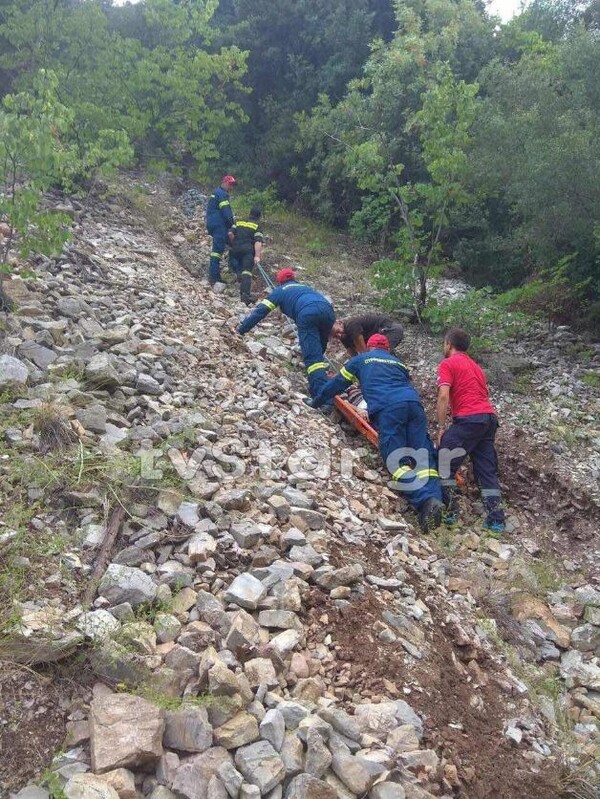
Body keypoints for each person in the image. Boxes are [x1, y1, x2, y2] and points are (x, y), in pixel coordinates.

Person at [307, 333, 444, 532]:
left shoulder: (360, 359)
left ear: (369, 348)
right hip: (414, 405)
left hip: (388, 408)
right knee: (424, 458)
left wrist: (316, 401)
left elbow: (336, 385)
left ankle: (424, 500)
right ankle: (435, 503)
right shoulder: (399, 363)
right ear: (387, 350)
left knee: (395, 460)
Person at [436, 327, 505, 533]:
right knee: (486, 470)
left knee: (444, 461)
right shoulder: (476, 367)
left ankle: (450, 512)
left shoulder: (447, 364)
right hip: (488, 419)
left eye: (444, 343)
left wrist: (440, 427)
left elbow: (443, 396)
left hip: (469, 419)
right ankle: (496, 520)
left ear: (449, 344)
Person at [238, 269, 335, 400]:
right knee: (318, 352)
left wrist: (241, 330)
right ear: (293, 278)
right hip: (328, 311)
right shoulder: (305, 287)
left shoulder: (280, 290)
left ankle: (322, 400)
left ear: (279, 281)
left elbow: (260, 311)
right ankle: (318, 384)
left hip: (307, 314)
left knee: (313, 359)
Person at [228, 207, 264, 306]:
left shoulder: (239, 222)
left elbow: (230, 233)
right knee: (247, 272)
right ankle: (245, 295)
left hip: (236, 249)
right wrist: (257, 256)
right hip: (248, 251)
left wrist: (234, 243)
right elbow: (258, 241)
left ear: (250, 213)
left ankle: (238, 274)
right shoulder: (257, 226)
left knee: (236, 263)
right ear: (259, 217)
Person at [206, 175, 236, 286]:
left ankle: (219, 274)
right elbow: (227, 213)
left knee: (223, 248)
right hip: (219, 226)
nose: (231, 187)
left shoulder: (217, 192)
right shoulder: (221, 194)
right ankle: (214, 277)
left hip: (215, 224)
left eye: (232, 185)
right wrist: (233, 226)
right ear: (224, 182)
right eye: (230, 184)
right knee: (217, 252)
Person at [331, 313, 404, 356]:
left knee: (378, 357)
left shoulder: (350, 325)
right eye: (335, 336)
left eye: (338, 331)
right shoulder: (343, 337)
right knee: (377, 356)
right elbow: (353, 355)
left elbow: (364, 354)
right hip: (382, 334)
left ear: (340, 323)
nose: (339, 335)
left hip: (391, 330)